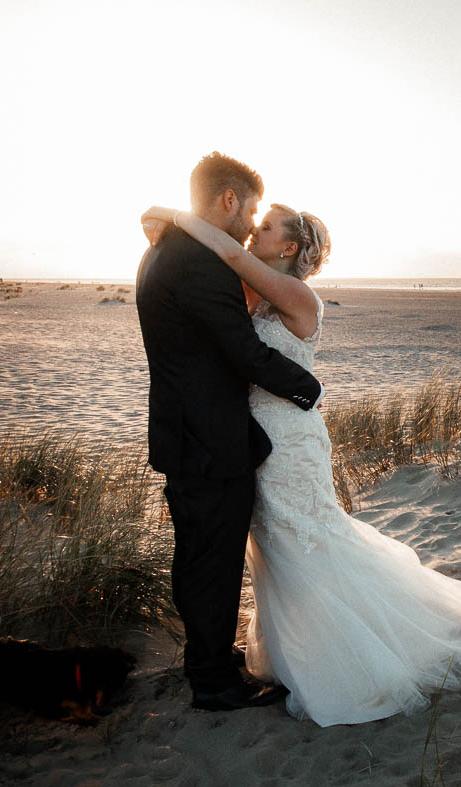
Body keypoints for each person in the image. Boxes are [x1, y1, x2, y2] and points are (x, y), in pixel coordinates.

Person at [141, 197, 461, 727]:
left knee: (304, 536)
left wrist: (173, 215)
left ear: (289, 248)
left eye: (266, 227)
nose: (253, 232)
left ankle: (348, 657)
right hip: (252, 436)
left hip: (289, 436)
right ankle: (297, 651)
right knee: (274, 542)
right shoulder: (254, 290)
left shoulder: (296, 294)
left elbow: (228, 254)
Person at [136, 153, 323, 712]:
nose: (250, 225)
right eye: (252, 212)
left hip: (185, 434)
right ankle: (215, 680)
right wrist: (307, 388)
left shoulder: (161, 251)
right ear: (227, 200)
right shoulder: (199, 262)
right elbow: (242, 350)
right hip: (210, 442)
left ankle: (207, 664)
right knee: (212, 564)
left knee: (199, 557)